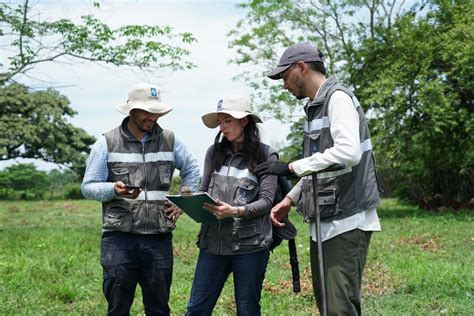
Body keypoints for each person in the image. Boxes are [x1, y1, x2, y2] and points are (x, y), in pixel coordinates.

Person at [256, 42, 382, 315]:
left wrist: (290, 168)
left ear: (302, 67)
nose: (284, 85)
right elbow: (320, 164)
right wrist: (291, 198)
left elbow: (348, 153)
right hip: (326, 220)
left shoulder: (338, 99)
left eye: (285, 76)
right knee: (327, 307)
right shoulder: (317, 106)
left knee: (339, 308)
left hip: (346, 221)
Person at [81, 83, 200, 316]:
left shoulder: (170, 139)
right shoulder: (106, 142)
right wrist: (112, 189)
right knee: (118, 307)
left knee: (158, 307)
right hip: (119, 239)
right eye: (146, 111)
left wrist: (183, 199)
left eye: (155, 111)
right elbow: (88, 187)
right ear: (131, 110)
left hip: (158, 238)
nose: (152, 116)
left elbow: (192, 169)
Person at [186, 96, 278, 316]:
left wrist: (236, 211)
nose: (222, 126)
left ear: (244, 121)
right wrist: (190, 203)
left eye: (227, 120)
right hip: (213, 244)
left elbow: (266, 201)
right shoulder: (214, 152)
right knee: (197, 309)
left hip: (250, 247)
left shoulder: (266, 155)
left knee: (247, 310)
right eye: (220, 121)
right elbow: (204, 191)